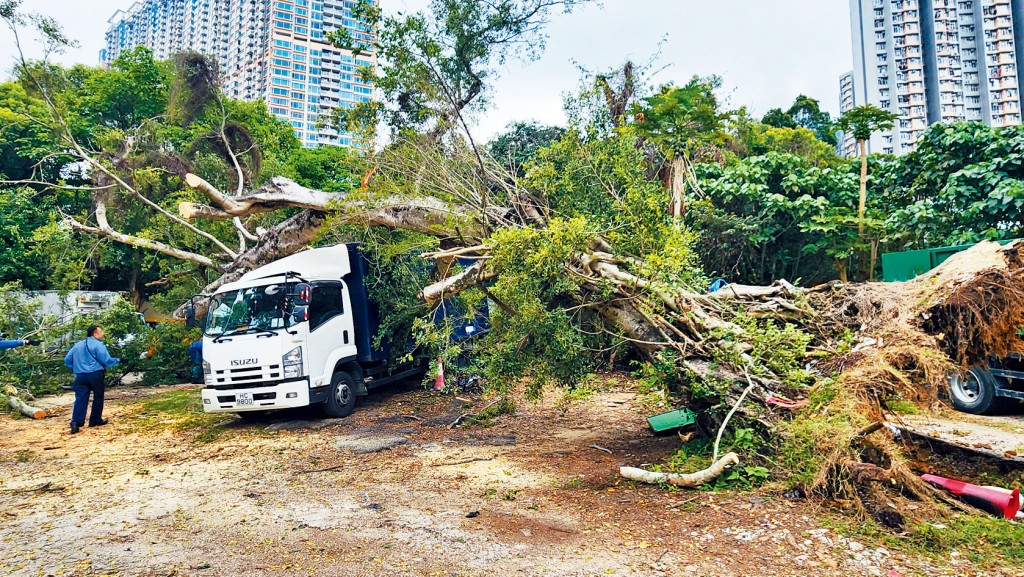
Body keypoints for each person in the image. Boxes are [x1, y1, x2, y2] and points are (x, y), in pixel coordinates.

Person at [64, 325, 120, 434]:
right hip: (95, 374)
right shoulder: (98, 345)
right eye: (101, 331)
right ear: (95, 334)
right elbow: (106, 360)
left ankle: (76, 422)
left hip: (80, 376)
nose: (102, 333)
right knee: (98, 397)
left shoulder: (77, 345)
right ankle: (95, 420)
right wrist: (119, 360)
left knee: (80, 398)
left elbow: (67, 360)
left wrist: (76, 368)